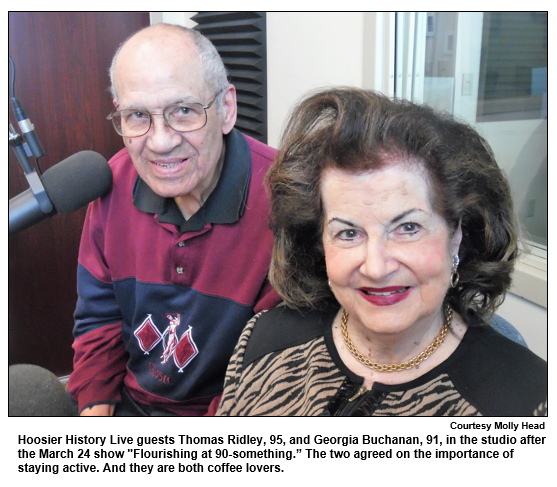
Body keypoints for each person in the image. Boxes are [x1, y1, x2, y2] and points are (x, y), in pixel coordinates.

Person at [217, 87, 547, 416]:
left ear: (457, 235)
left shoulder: (527, 399)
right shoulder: (263, 341)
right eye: (348, 233)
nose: (376, 267)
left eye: (408, 228)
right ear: (319, 242)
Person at [68, 23, 281, 416]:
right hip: (131, 406)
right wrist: (96, 412)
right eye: (137, 115)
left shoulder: (285, 200)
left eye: (183, 111)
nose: (161, 141)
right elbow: (98, 318)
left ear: (226, 108)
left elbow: (271, 372)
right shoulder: (111, 185)